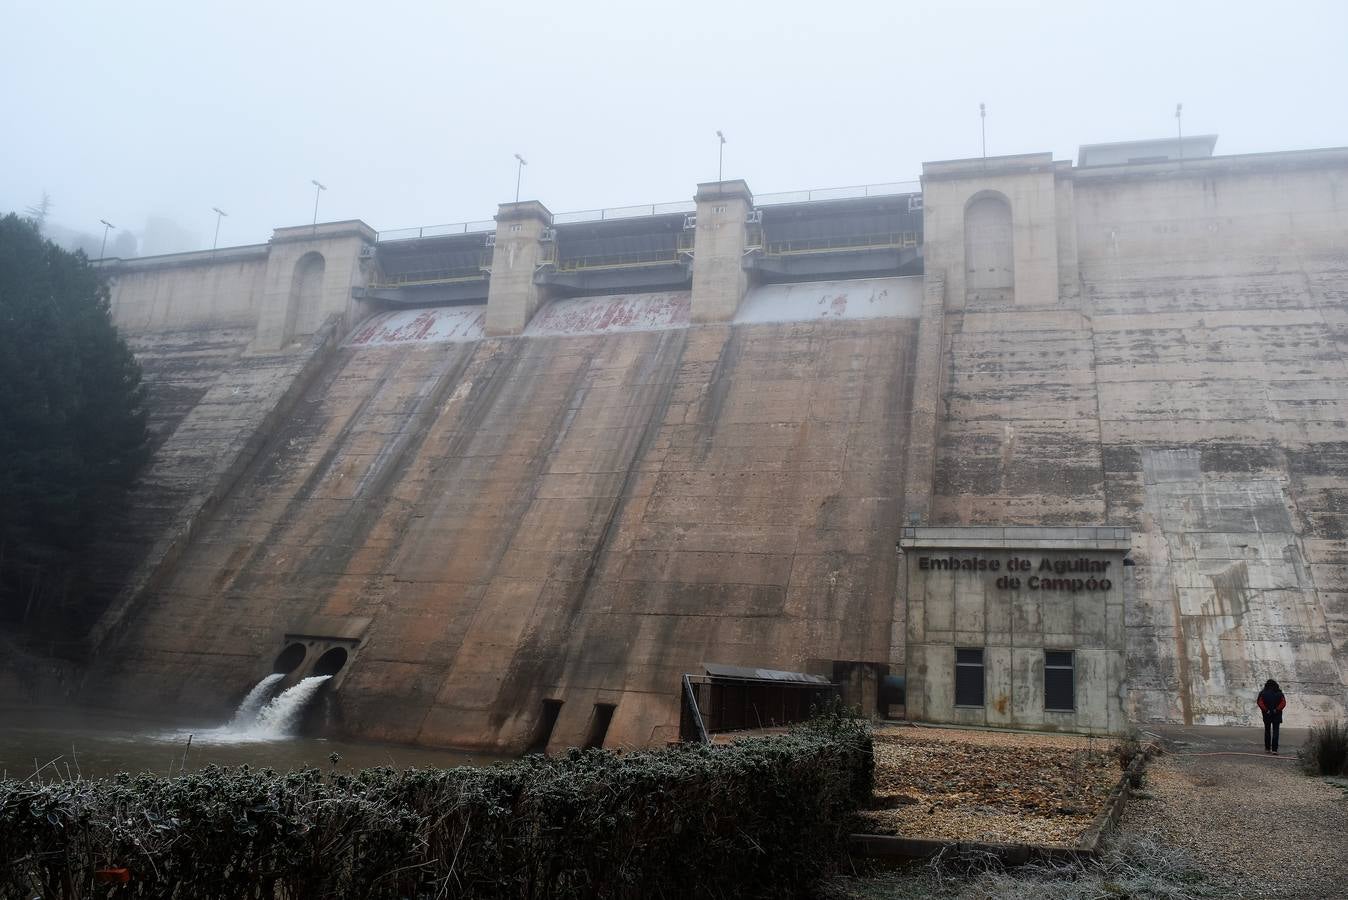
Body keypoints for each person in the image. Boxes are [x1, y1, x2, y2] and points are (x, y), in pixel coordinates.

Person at [1256, 679, 1286, 754]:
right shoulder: (1279, 693)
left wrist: (1266, 710)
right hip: (1277, 715)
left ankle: (1267, 748)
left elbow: (1260, 703)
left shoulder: (1262, 693)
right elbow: (1283, 703)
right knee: (1276, 732)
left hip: (1267, 715)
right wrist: (1276, 710)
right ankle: (1274, 750)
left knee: (1267, 731)